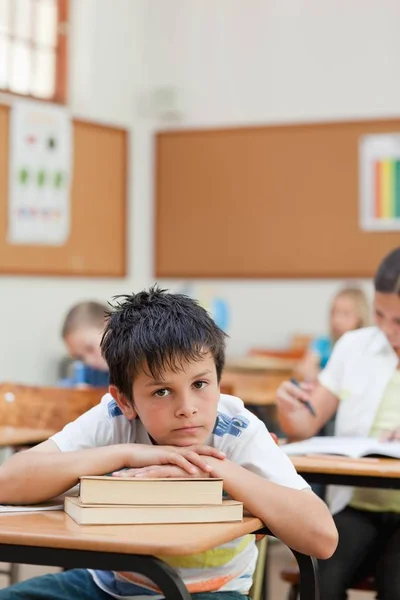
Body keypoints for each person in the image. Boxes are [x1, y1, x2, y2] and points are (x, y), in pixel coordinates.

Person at [0, 287, 337, 600]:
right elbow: (9, 481)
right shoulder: (114, 416)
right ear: (126, 400)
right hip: (112, 587)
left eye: (201, 384)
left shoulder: (237, 429)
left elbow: (322, 537)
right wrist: (128, 453)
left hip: (210, 591)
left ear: (220, 383)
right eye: (162, 391)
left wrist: (215, 469)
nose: (187, 407)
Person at [276, 247, 400, 600]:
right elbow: (304, 425)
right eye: (380, 315)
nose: (389, 331)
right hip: (357, 506)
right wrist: (289, 408)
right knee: (318, 577)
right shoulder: (355, 347)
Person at [296, 286, 370, 383]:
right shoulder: (323, 343)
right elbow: (305, 368)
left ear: (360, 318)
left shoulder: (366, 347)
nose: (337, 320)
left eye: (345, 314)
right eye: (334, 312)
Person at [61, 301, 109, 387]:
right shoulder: (89, 372)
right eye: (80, 357)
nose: (89, 361)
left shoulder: (135, 368)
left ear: (110, 327)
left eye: (90, 348)